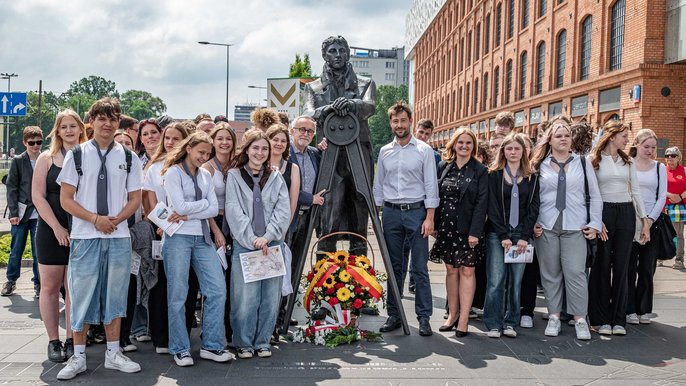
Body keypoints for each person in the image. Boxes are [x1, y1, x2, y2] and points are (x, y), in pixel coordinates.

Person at [56, 98, 143, 380]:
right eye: (102, 118)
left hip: (117, 237)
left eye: (113, 118)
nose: (108, 124)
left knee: (115, 295)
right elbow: (66, 199)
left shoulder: (128, 157)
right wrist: (95, 219)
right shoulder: (77, 155)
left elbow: (135, 199)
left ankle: (114, 353)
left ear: (118, 122)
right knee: (81, 295)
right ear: (90, 122)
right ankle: (78, 356)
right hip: (85, 236)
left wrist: (116, 221)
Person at [160, 131, 232, 367]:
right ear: (189, 148)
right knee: (178, 294)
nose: (204, 157)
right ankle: (180, 348)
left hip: (202, 237)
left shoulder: (205, 176)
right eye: (201, 152)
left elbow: (213, 209)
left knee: (217, 289)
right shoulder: (173, 172)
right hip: (178, 238)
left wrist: (189, 212)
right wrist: (200, 207)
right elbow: (179, 205)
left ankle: (211, 345)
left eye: (207, 154)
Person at [531, 116, 602, 340]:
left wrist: (595, 224)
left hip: (576, 226)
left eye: (566, 135)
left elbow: (595, 195)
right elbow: (533, 198)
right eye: (558, 136)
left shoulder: (583, 163)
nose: (563, 139)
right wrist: (533, 222)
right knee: (550, 274)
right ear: (549, 140)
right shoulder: (539, 166)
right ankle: (554, 316)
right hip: (547, 225)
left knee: (575, 272)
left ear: (572, 140)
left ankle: (580, 319)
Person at [304, 35, 376, 256]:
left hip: (358, 152)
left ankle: (359, 273)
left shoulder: (365, 83)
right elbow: (307, 112)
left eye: (341, 50)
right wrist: (324, 110)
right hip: (329, 155)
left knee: (359, 206)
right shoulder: (314, 87)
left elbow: (370, 106)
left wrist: (353, 104)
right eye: (332, 51)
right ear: (325, 55)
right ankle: (324, 275)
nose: (337, 55)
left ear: (348, 53)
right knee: (328, 209)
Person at [373, 101, 438, 336]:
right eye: (395, 121)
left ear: (410, 121)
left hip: (416, 212)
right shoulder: (384, 151)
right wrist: (377, 217)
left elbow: (431, 186)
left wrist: (429, 217)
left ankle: (423, 317)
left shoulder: (424, 151)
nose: (399, 125)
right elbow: (378, 186)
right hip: (390, 214)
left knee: (419, 267)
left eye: (403, 120)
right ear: (391, 123)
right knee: (394, 267)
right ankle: (395, 314)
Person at [225, 130, 290, 359]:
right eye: (255, 148)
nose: (260, 152)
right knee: (245, 298)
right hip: (246, 244)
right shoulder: (234, 176)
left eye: (264, 148)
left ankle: (262, 341)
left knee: (270, 297)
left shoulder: (275, 176)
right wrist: (252, 238)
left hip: (272, 245)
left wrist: (269, 235)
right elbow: (234, 210)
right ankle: (243, 342)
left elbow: (283, 210)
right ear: (247, 149)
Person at [32, 110, 87, 362]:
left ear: (80, 129)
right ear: (57, 130)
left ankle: (72, 339)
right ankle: (54, 341)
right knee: (51, 286)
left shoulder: (88, 155)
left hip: (82, 230)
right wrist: (56, 227)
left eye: (73, 126)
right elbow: (38, 197)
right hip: (51, 229)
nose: (68, 131)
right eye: (63, 126)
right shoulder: (46, 158)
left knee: (74, 288)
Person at [589, 120, 649, 336]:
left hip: (626, 213)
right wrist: (597, 219)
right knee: (602, 265)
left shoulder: (628, 161)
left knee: (623, 267)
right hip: (603, 212)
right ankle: (600, 318)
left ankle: (618, 319)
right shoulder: (593, 160)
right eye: (624, 136)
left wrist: (644, 220)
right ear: (612, 136)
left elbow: (636, 191)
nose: (627, 140)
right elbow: (590, 193)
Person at [429, 127, 487, 337]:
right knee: (451, 271)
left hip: (468, 231)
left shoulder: (479, 170)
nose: (464, 146)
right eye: (460, 142)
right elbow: (434, 196)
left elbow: (482, 204)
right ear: (454, 144)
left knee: (467, 271)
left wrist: (475, 232)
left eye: (468, 143)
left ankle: (464, 320)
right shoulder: (443, 166)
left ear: (474, 146)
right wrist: (433, 223)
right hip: (446, 228)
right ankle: (452, 315)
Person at [483, 133, 539, 339]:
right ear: (503, 151)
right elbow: (493, 207)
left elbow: (534, 207)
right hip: (498, 234)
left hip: (521, 235)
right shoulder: (494, 175)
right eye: (509, 149)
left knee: (516, 281)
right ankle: (494, 323)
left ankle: (511, 321)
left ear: (523, 151)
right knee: (497, 279)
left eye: (517, 148)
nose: (513, 152)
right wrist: (503, 234)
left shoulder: (532, 176)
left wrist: (525, 236)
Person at [142, 122, 191, 355]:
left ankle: (183, 334)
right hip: (162, 231)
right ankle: (161, 337)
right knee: (161, 284)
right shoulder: (154, 167)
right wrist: (163, 225)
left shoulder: (190, 166)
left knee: (185, 285)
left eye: (176, 138)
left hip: (189, 230)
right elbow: (151, 204)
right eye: (168, 138)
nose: (170, 142)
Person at [626, 129, 667, 325]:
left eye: (653, 147)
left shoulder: (659, 168)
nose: (650, 150)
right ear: (636, 145)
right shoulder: (627, 164)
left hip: (652, 222)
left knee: (647, 268)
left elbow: (661, 197)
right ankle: (629, 308)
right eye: (646, 147)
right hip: (629, 220)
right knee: (628, 266)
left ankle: (644, 309)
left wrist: (649, 221)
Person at [201, 123, 237, 343]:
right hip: (213, 223)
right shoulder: (206, 167)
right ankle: (212, 330)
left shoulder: (237, 164)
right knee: (215, 281)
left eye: (228, 139)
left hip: (234, 224)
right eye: (220, 138)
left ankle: (229, 331)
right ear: (213, 141)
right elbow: (204, 203)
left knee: (233, 280)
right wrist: (216, 231)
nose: (224, 142)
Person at [2, 126, 43, 298]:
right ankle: (11, 280)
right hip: (21, 211)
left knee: (37, 251)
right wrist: (13, 213)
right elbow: (12, 187)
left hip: (40, 213)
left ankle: (38, 284)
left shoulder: (45, 158)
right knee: (16, 248)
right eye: (31, 143)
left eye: (38, 142)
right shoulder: (19, 160)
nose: (35, 146)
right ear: (24, 142)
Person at [664, 147, 686, 270]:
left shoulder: (684, 171)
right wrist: (669, 195)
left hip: (679, 206)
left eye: (673, 156)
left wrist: (679, 197)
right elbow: (657, 186)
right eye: (667, 156)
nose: (670, 158)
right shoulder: (661, 170)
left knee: (678, 234)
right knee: (661, 232)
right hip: (663, 206)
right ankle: (660, 257)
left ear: (679, 158)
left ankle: (679, 261)